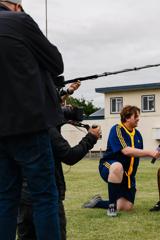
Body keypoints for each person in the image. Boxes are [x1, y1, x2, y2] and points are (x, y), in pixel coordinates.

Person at [0, 1, 65, 239]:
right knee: (44, 196)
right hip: (29, 125)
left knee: (6, 198)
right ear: (16, 5)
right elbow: (56, 63)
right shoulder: (20, 21)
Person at [17, 82, 101, 240]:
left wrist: (68, 91)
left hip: (23, 197)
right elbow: (69, 156)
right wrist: (91, 137)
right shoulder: (47, 128)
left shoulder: (20, 122)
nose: (64, 107)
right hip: (46, 197)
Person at [97, 105, 160, 217]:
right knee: (117, 166)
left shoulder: (138, 134)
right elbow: (126, 151)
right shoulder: (117, 129)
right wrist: (150, 152)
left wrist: (132, 181)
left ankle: (97, 202)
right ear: (126, 118)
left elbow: (135, 155)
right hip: (109, 166)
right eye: (135, 116)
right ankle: (111, 208)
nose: (138, 118)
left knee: (125, 207)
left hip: (127, 177)